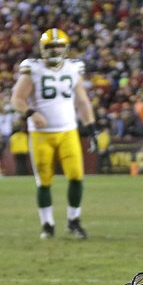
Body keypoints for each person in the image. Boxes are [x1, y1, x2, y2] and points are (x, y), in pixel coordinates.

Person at [10, 28, 97, 239]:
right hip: (41, 134)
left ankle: (74, 221)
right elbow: (17, 99)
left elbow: (82, 101)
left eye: (58, 45)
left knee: (76, 176)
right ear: (42, 48)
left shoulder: (73, 68)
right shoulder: (34, 69)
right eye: (50, 46)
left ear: (65, 47)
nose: (55, 49)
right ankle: (47, 225)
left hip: (68, 131)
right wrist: (31, 113)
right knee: (44, 181)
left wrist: (91, 127)